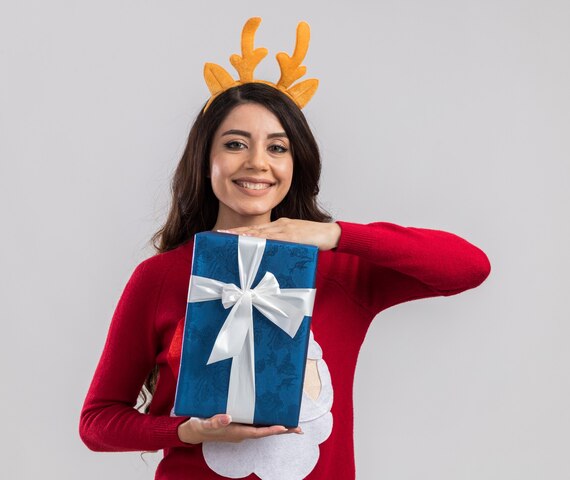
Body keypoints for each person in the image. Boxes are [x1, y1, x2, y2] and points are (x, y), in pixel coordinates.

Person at [79, 18, 490, 480]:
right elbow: (97, 422)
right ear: (206, 159)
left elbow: (469, 267)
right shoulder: (161, 277)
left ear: (297, 162)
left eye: (278, 147)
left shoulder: (338, 268)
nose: (257, 162)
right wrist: (184, 432)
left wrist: (335, 235)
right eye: (236, 144)